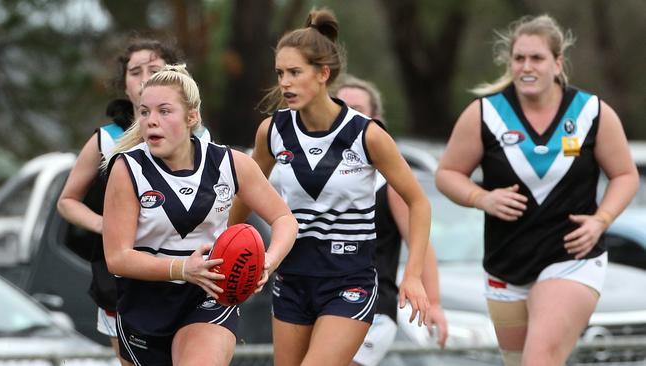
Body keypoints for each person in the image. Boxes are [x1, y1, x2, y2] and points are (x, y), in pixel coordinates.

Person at [229, 8, 431, 366]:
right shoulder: (272, 132)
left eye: (295, 72)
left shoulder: (366, 134)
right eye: (280, 74)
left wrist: (412, 275)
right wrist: (227, 245)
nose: (285, 83)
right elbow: (247, 191)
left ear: (323, 74)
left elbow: (418, 202)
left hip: (348, 280)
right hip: (292, 279)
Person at [435, 14, 638, 366]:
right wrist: (482, 197)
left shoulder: (591, 112)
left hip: (572, 258)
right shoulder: (485, 113)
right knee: (519, 362)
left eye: (537, 58)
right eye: (519, 58)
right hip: (506, 263)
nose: (527, 67)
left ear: (557, 63)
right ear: (510, 63)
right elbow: (448, 173)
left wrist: (600, 220)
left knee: (539, 359)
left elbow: (625, 175)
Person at [101, 64, 298, 365]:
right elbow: (117, 257)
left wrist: (268, 262)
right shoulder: (128, 169)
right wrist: (182, 269)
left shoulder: (230, 164)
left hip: (210, 296)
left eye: (164, 111)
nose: (151, 121)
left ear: (191, 117)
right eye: (144, 112)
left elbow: (285, 220)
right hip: (145, 304)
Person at [57, 36, 186, 366]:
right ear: (124, 84)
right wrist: (105, 224)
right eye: (135, 71)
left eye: (154, 69)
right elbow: (67, 201)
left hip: (184, 274)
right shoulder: (107, 139)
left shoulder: (196, 137)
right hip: (120, 279)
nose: (144, 77)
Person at [334, 75, 447, 366]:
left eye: (357, 109)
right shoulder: (319, 175)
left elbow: (421, 244)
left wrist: (434, 303)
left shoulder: (387, 179)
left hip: (374, 306)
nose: (349, 116)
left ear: (376, 119)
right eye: (341, 107)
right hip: (323, 302)